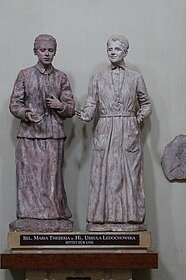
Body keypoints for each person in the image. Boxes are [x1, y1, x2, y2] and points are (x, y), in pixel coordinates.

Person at [77, 35, 152, 231]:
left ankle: (130, 219)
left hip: (128, 128)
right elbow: (91, 104)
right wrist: (85, 114)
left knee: (129, 175)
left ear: (125, 52)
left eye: (117, 49)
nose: (112, 52)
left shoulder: (135, 78)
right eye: (110, 49)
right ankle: (101, 219)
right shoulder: (98, 78)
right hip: (106, 128)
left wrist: (141, 114)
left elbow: (146, 103)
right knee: (103, 174)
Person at [9, 34, 75, 231]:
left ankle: (54, 214)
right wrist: (26, 113)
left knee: (51, 177)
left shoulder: (61, 77)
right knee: (29, 177)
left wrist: (59, 105)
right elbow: (15, 103)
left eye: (50, 50)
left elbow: (71, 108)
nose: (47, 54)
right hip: (30, 133)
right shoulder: (24, 74)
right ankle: (29, 214)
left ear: (55, 52)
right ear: (35, 51)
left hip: (53, 133)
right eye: (43, 50)